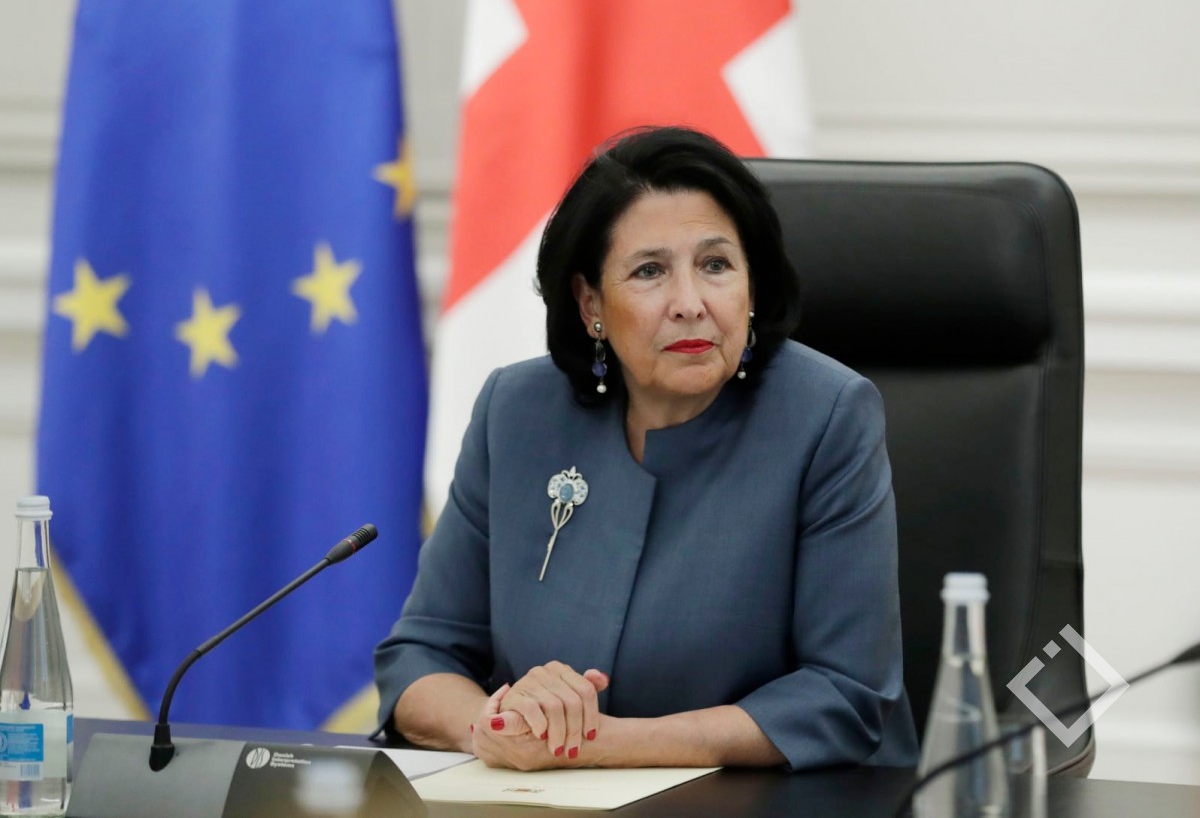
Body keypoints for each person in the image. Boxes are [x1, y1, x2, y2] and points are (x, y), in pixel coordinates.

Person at [374, 125, 919, 772]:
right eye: (650, 271)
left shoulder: (828, 416)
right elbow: (421, 655)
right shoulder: (516, 411)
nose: (690, 303)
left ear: (752, 285)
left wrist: (594, 744)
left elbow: (843, 691)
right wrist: (494, 727)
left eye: (715, 265)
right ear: (590, 303)